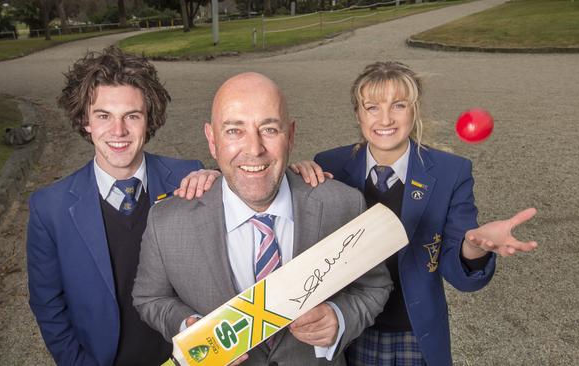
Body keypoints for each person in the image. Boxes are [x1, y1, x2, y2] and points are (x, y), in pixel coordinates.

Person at [132, 72, 394, 365]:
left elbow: (374, 286)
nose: (254, 149)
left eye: (269, 129)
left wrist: (340, 318)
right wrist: (188, 327)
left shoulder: (342, 204)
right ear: (212, 139)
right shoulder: (166, 222)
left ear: (291, 135)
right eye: (234, 131)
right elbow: (149, 298)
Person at [289, 61, 538, 366]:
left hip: (413, 331)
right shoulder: (330, 165)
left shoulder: (451, 172)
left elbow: (460, 274)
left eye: (398, 105)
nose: (385, 119)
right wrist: (294, 176)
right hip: (348, 329)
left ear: (414, 110)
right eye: (372, 107)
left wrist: (474, 246)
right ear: (357, 113)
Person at [26, 46, 217, 366]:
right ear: (85, 120)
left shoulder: (190, 177)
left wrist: (223, 181)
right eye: (104, 116)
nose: (118, 131)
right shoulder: (50, 208)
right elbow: (48, 306)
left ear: (149, 119)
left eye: (132, 116)